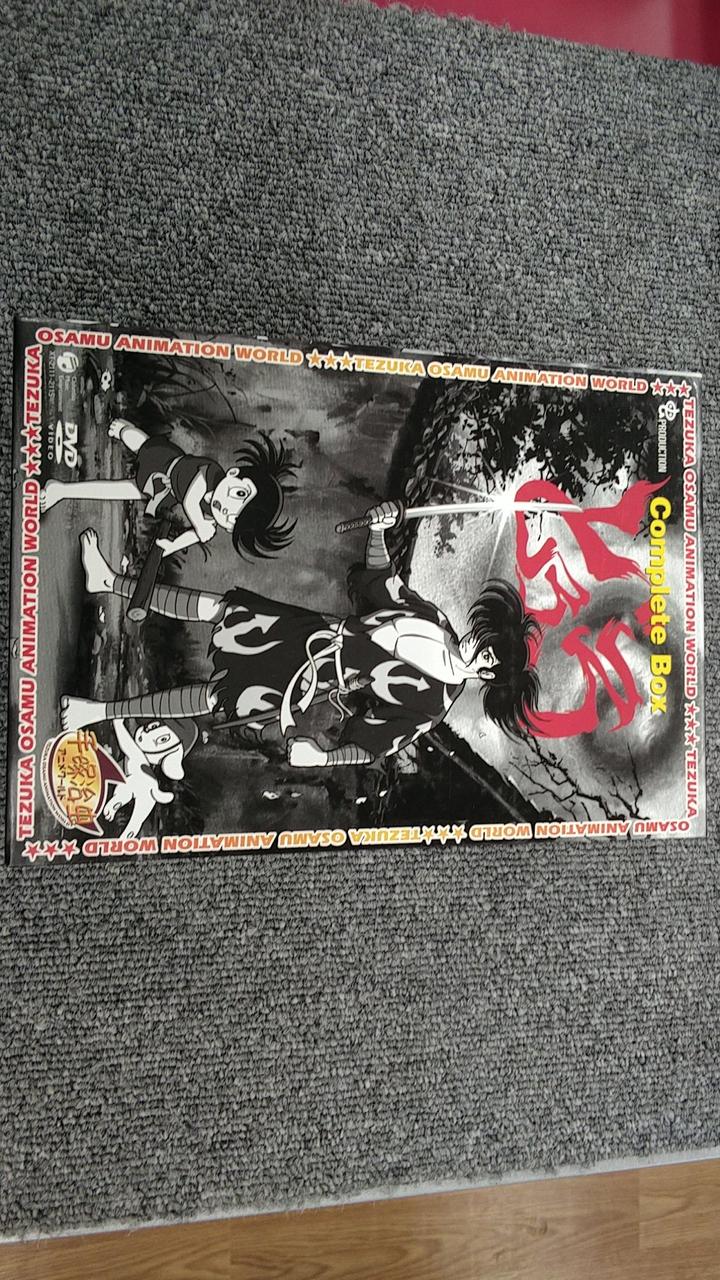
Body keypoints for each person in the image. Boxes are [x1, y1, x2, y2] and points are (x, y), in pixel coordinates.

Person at [60, 502, 541, 763]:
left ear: (488, 678)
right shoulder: (434, 619)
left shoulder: (432, 705)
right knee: (219, 608)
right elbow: (382, 582)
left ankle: (96, 712)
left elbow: (372, 747)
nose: (477, 650)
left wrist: (322, 757)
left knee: (216, 696)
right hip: (312, 631)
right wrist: (378, 531)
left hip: (311, 679)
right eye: (485, 641)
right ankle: (109, 582)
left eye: (488, 660)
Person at [40, 420, 296, 560]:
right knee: (139, 444)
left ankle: (60, 490)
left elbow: (192, 536)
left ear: (230, 528)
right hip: (165, 462)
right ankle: (125, 429)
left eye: (234, 518)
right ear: (233, 473)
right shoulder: (212, 472)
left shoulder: (209, 520)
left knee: (117, 491)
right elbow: (191, 498)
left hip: (162, 493)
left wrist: (171, 546)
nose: (229, 509)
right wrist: (200, 525)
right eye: (240, 495)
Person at [102, 717, 199, 839]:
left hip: (140, 783)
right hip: (144, 784)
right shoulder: (143, 758)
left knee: (136, 814)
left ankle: (121, 814)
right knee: (137, 816)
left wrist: (118, 723)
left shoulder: (140, 757)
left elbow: (127, 745)